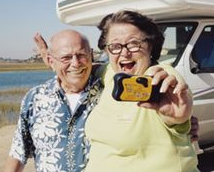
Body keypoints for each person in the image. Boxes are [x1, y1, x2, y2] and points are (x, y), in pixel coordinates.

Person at [3, 29, 187, 172]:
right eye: (66, 57)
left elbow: (160, 112)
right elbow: (19, 151)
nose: (76, 63)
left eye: (82, 55)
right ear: (51, 61)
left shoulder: (111, 91)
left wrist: (184, 122)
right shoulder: (34, 98)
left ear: (91, 55)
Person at [84, 10, 199, 172]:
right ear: (107, 50)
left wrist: (179, 118)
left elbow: (177, 99)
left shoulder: (160, 78)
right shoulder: (111, 74)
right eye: (115, 46)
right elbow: (84, 68)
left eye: (134, 44)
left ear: (150, 45)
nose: (124, 52)